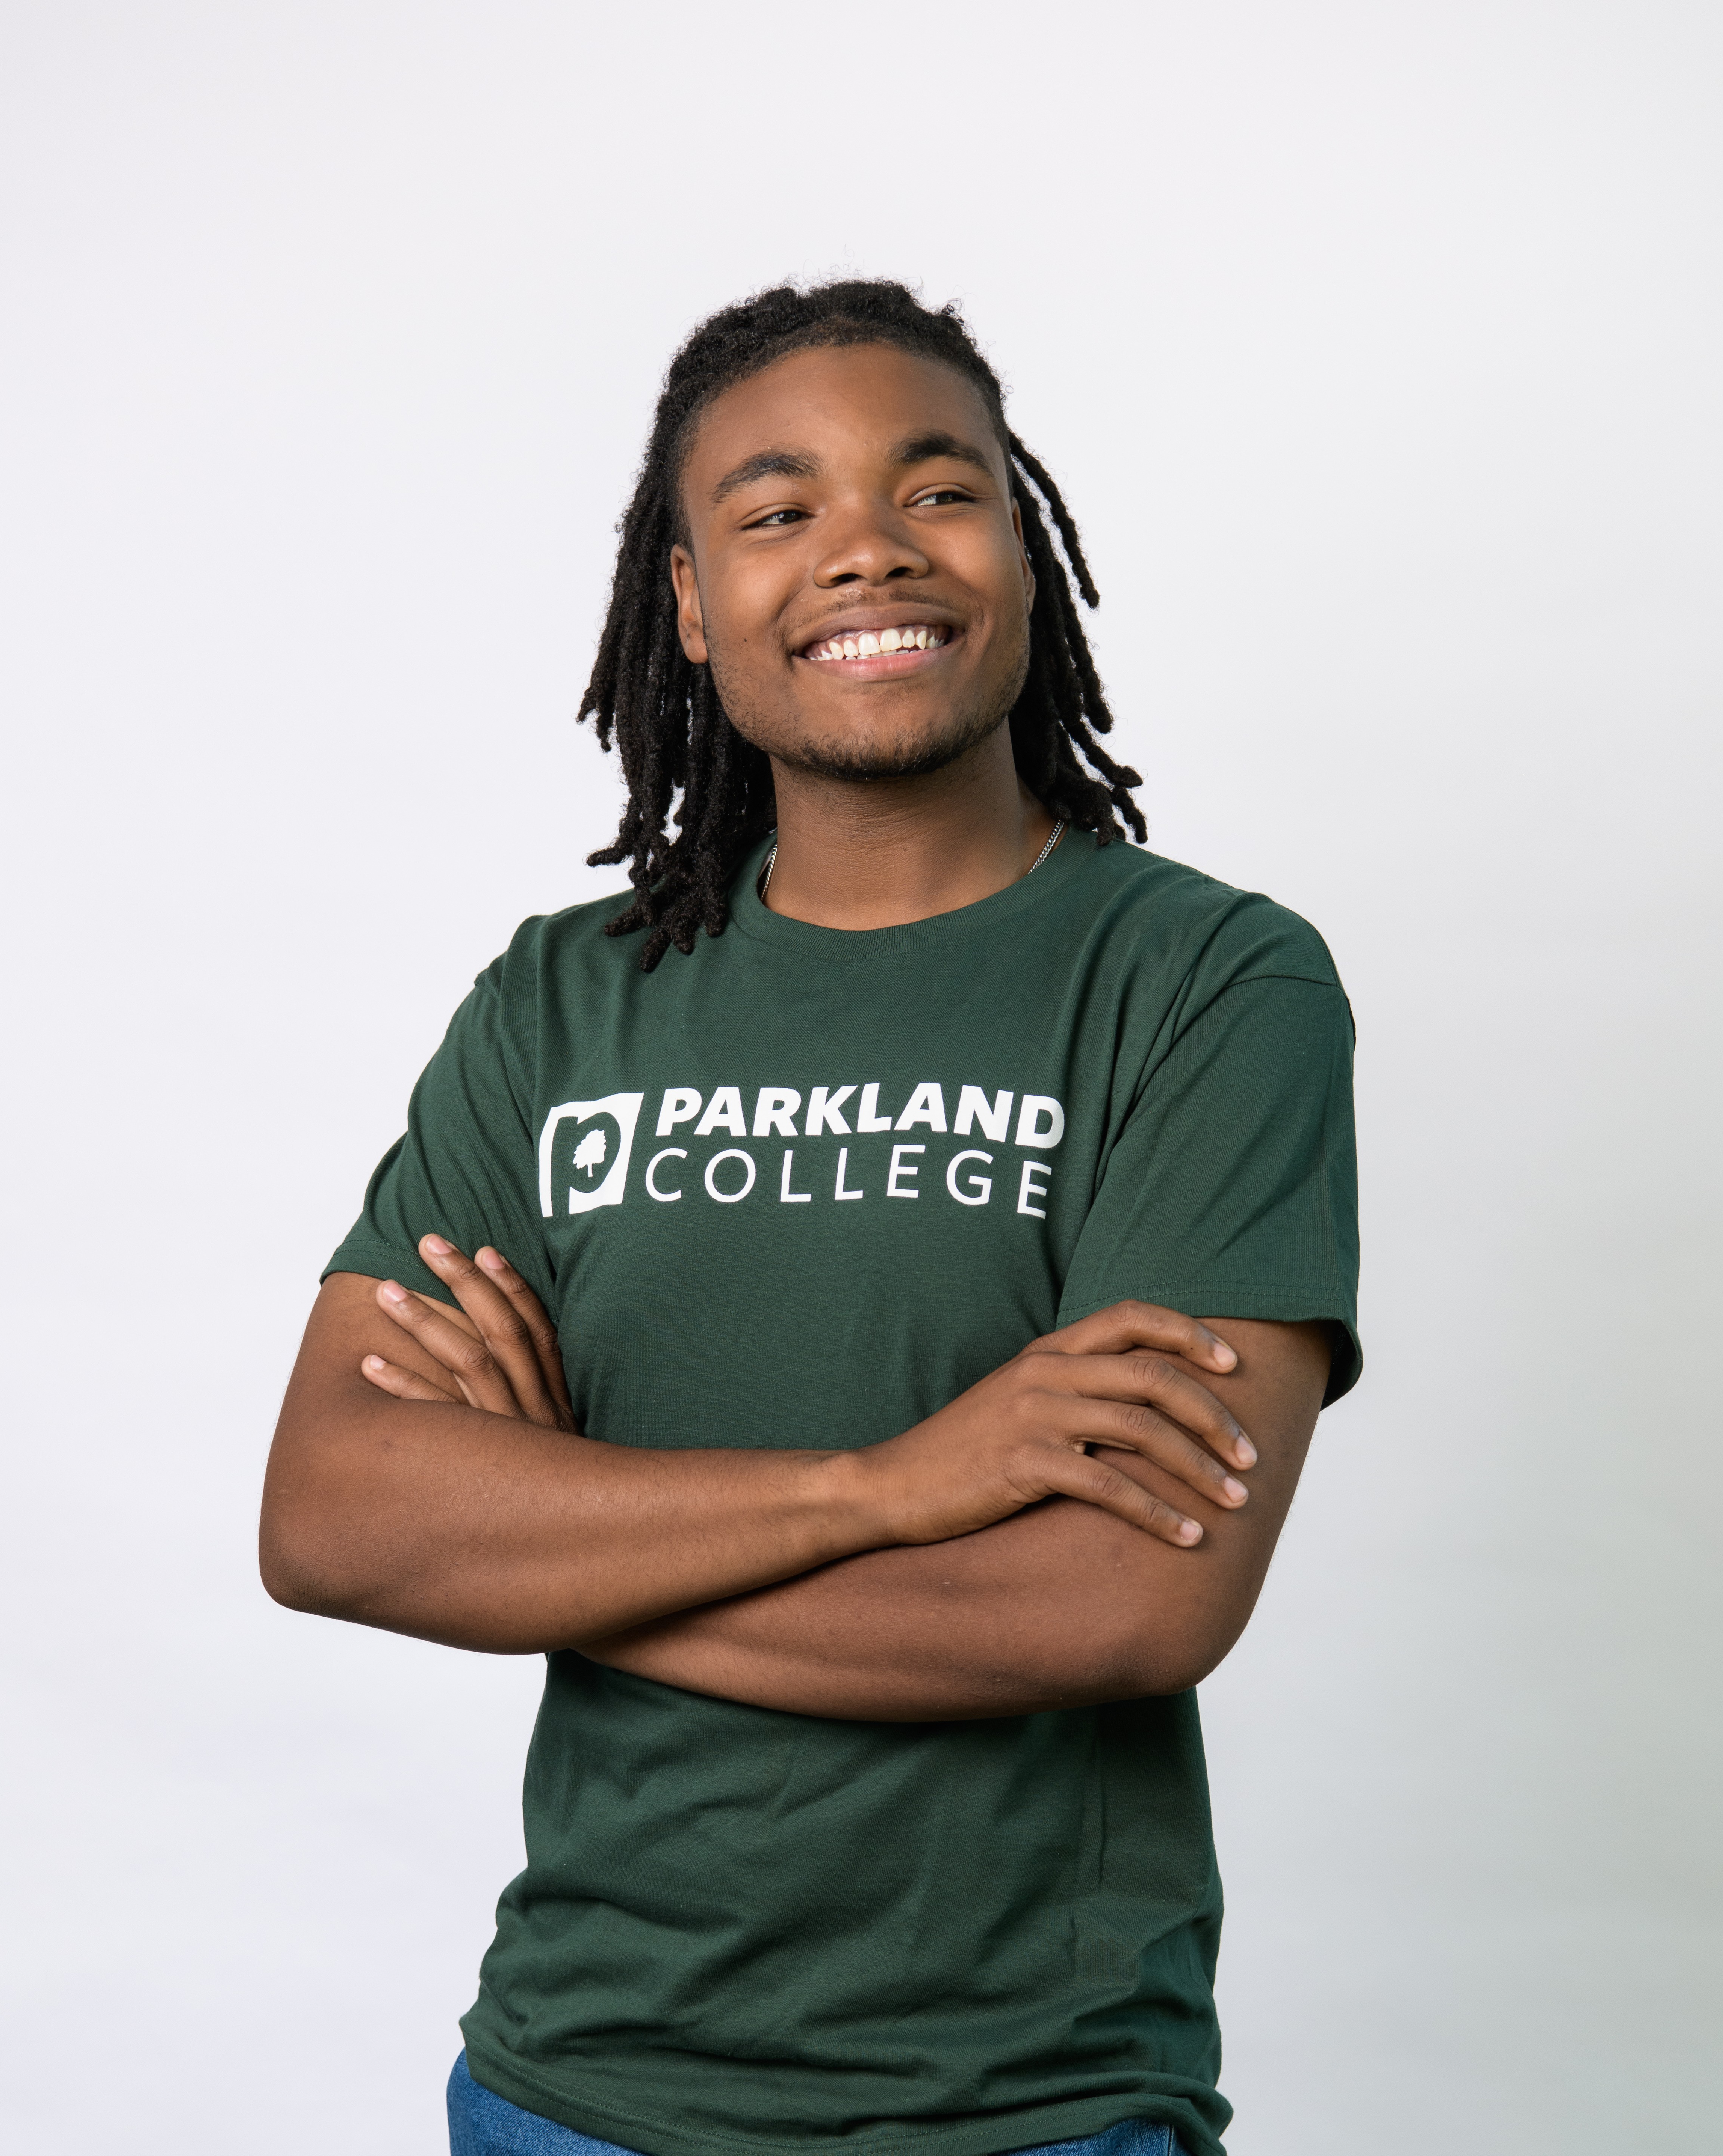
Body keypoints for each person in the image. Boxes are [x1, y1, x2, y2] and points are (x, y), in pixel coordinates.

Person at [260, 279, 1360, 2156]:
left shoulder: (1205, 983)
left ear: (1020, 554)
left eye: (937, 491)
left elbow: (1128, 1597)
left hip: (1025, 2106)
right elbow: (334, 1518)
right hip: (566, 2089)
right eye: (778, 511)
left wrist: (557, 1535)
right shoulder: (560, 1004)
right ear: (691, 605)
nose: (866, 548)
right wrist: (891, 1487)